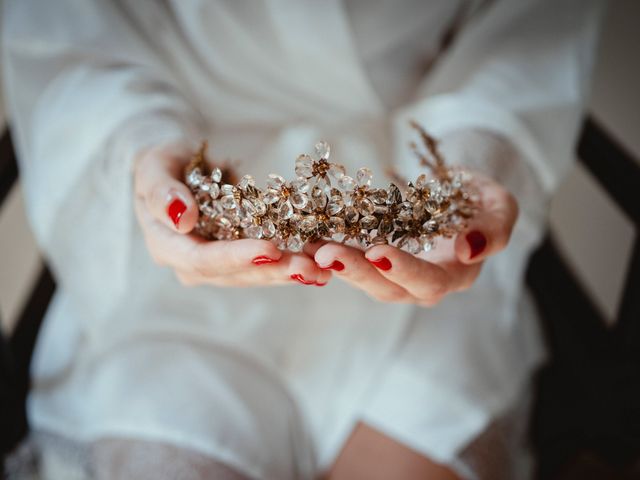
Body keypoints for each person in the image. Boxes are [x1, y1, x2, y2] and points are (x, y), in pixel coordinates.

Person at [2, 1, 604, 478]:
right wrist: (142, 150)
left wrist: (468, 161)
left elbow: (525, 34)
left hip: (410, 224)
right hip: (183, 253)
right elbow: (68, 33)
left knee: (419, 437)